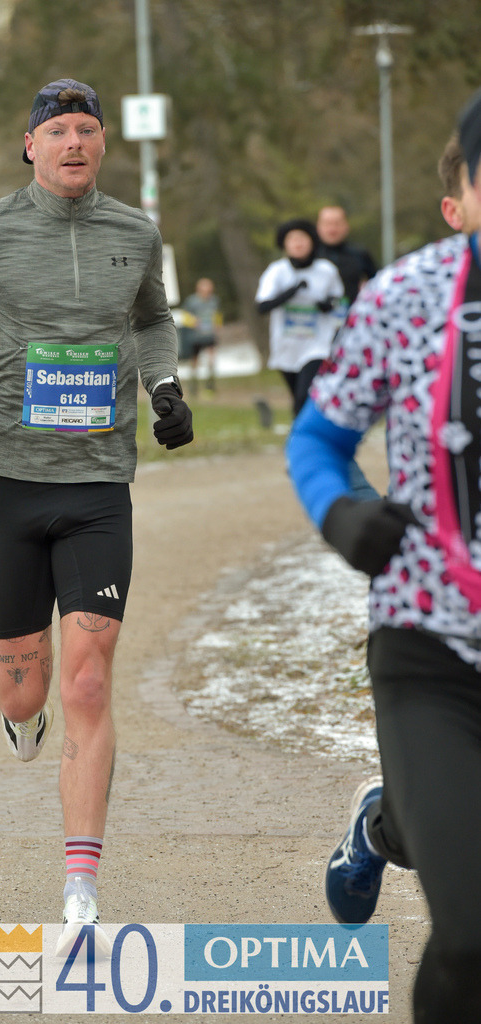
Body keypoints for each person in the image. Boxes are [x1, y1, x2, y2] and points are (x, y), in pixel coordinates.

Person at [0, 79, 193, 953]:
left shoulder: (136, 232)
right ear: (30, 145)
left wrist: (165, 386)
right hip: (10, 479)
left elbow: (154, 320)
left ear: (103, 143)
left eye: (87, 129)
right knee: (25, 689)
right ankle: (23, 716)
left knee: (89, 680)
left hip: (98, 483)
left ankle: (81, 888)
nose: (74, 143)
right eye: (57, 131)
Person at [285, 100, 481, 1023]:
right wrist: (342, 514)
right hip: (431, 643)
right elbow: (318, 439)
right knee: (472, 939)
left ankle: (387, 818)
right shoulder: (405, 297)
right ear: (465, 190)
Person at [255, 218, 344, 417]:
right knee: (297, 397)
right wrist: (291, 292)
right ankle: (300, 430)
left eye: (302, 238)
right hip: (287, 346)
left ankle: (303, 434)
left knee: (304, 396)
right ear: (284, 244)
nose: (298, 243)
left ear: (312, 242)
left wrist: (327, 305)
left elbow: (340, 302)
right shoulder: (277, 271)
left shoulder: (326, 270)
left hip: (317, 345)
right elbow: (262, 306)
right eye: (292, 239)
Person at [316, 205, 378, 326]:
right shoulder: (309, 257)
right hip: (316, 324)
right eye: (327, 224)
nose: (332, 229)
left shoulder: (360, 254)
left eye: (337, 224)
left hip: (352, 321)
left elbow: (377, 283)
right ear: (318, 227)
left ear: (346, 226)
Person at [182, 277, 222, 394]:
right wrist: (193, 322)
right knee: (195, 360)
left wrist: (218, 325)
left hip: (209, 334)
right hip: (196, 336)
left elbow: (217, 315)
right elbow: (185, 316)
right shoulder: (191, 301)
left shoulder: (214, 300)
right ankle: (193, 385)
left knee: (211, 358)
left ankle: (210, 384)